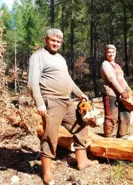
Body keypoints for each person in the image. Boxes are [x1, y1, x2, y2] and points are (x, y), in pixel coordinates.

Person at [28, 28, 98, 185]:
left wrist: (80, 93)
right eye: (53, 40)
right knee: (50, 136)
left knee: (81, 125)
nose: (56, 43)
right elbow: (32, 83)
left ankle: (82, 161)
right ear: (46, 40)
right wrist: (39, 102)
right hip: (51, 101)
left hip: (68, 101)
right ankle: (46, 172)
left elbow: (68, 79)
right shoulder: (37, 56)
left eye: (59, 41)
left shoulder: (60, 58)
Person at [101, 44, 133, 138]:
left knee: (125, 116)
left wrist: (129, 90)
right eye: (109, 52)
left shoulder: (117, 66)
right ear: (106, 53)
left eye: (113, 52)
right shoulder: (105, 64)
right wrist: (122, 92)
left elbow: (122, 79)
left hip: (122, 95)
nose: (111, 54)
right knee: (112, 117)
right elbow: (111, 79)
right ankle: (107, 137)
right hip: (111, 94)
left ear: (115, 53)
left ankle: (121, 136)